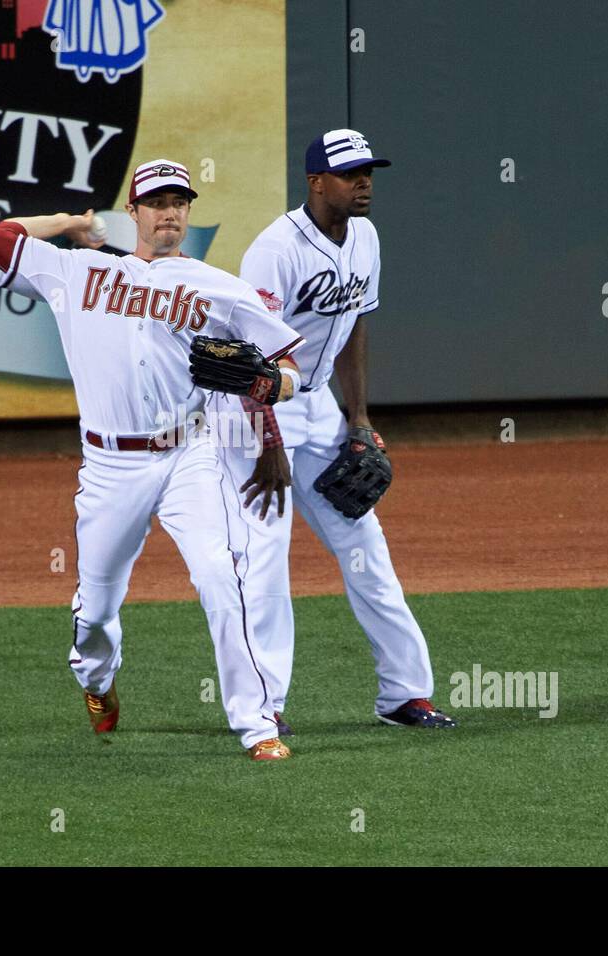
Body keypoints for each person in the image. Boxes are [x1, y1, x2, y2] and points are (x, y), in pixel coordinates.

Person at [0, 159, 306, 760]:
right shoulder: (77, 271)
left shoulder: (218, 285)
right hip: (109, 468)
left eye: (179, 201)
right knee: (96, 610)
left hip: (190, 456)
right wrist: (69, 222)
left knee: (221, 577)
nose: (170, 212)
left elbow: (290, 369)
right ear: (133, 212)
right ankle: (98, 684)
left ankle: (257, 725)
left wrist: (268, 386)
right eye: (156, 202)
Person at [210, 130, 457, 733]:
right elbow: (250, 356)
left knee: (365, 547)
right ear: (317, 182)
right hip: (256, 409)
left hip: (319, 410)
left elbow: (354, 329)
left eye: (369, 172)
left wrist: (361, 418)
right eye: (351, 174)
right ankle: (263, 708)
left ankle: (405, 695)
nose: (364, 183)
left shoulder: (366, 237)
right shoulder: (276, 249)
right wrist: (269, 443)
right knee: (265, 560)